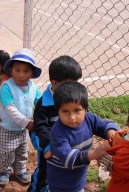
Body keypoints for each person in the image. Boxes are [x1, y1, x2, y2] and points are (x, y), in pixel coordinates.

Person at [48, 82, 120, 192]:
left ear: (86, 109)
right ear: (58, 112)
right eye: (65, 111)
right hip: (60, 183)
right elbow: (68, 159)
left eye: (77, 110)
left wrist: (111, 130)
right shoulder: (58, 132)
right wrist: (96, 153)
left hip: (78, 179)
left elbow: (104, 125)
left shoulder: (89, 119)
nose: (72, 117)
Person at [28, 55, 83, 192]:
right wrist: (47, 146)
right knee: (44, 177)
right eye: (70, 83)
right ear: (55, 84)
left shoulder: (74, 100)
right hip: (49, 152)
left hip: (69, 149)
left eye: (76, 83)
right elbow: (41, 128)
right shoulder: (44, 104)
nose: (74, 87)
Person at [0, 48, 42, 185]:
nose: (21, 75)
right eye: (17, 70)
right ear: (10, 70)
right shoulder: (6, 87)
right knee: (7, 152)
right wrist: (26, 122)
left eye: (26, 71)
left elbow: (39, 103)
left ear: (32, 73)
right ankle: (5, 171)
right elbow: (10, 108)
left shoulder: (33, 87)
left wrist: (41, 116)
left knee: (22, 151)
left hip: (23, 129)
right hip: (7, 128)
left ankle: (20, 170)